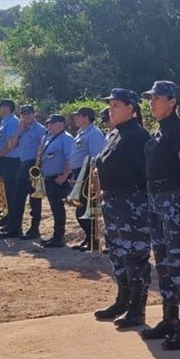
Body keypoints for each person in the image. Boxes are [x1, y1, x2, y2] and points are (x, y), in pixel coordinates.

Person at [140, 81, 180, 350]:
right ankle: (170, 318)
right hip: (156, 201)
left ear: (172, 102)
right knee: (165, 263)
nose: (151, 102)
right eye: (150, 98)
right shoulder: (159, 131)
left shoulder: (179, 132)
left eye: (157, 98)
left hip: (174, 201)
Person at [93, 89, 152, 328]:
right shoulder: (114, 133)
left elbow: (145, 172)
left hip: (132, 204)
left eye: (116, 105)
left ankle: (137, 309)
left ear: (131, 108)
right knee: (117, 253)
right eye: (110, 105)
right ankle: (122, 300)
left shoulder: (138, 136)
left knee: (134, 257)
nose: (111, 109)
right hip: (113, 202)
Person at [69, 106, 107, 251]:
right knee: (81, 209)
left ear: (86, 117)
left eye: (78, 116)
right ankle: (89, 238)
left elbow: (96, 156)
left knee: (85, 209)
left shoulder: (94, 133)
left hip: (87, 174)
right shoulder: (82, 133)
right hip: (79, 173)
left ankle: (93, 240)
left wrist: (91, 178)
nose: (75, 119)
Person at [9, 105, 46, 240]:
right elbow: (12, 146)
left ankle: (34, 229)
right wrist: (19, 130)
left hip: (33, 165)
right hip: (22, 164)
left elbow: (42, 148)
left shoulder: (40, 129)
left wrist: (38, 167)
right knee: (18, 198)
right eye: (24, 114)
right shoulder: (22, 129)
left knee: (34, 199)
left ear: (34, 114)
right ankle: (15, 228)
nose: (26, 116)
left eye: (29, 114)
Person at [37, 113, 75, 248]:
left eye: (52, 123)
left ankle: (59, 237)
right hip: (49, 177)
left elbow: (69, 158)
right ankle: (56, 236)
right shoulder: (49, 137)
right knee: (54, 208)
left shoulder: (66, 138)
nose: (49, 126)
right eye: (48, 123)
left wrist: (64, 176)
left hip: (58, 178)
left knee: (58, 208)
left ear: (61, 124)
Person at [0, 99, 22, 237]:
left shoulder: (12, 121)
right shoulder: (5, 121)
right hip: (5, 159)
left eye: (1, 107)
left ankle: (14, 225)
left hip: (11, 160)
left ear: (7, 108)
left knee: (12, 194)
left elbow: (11, 144)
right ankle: (9, 218)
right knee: (7, 193)